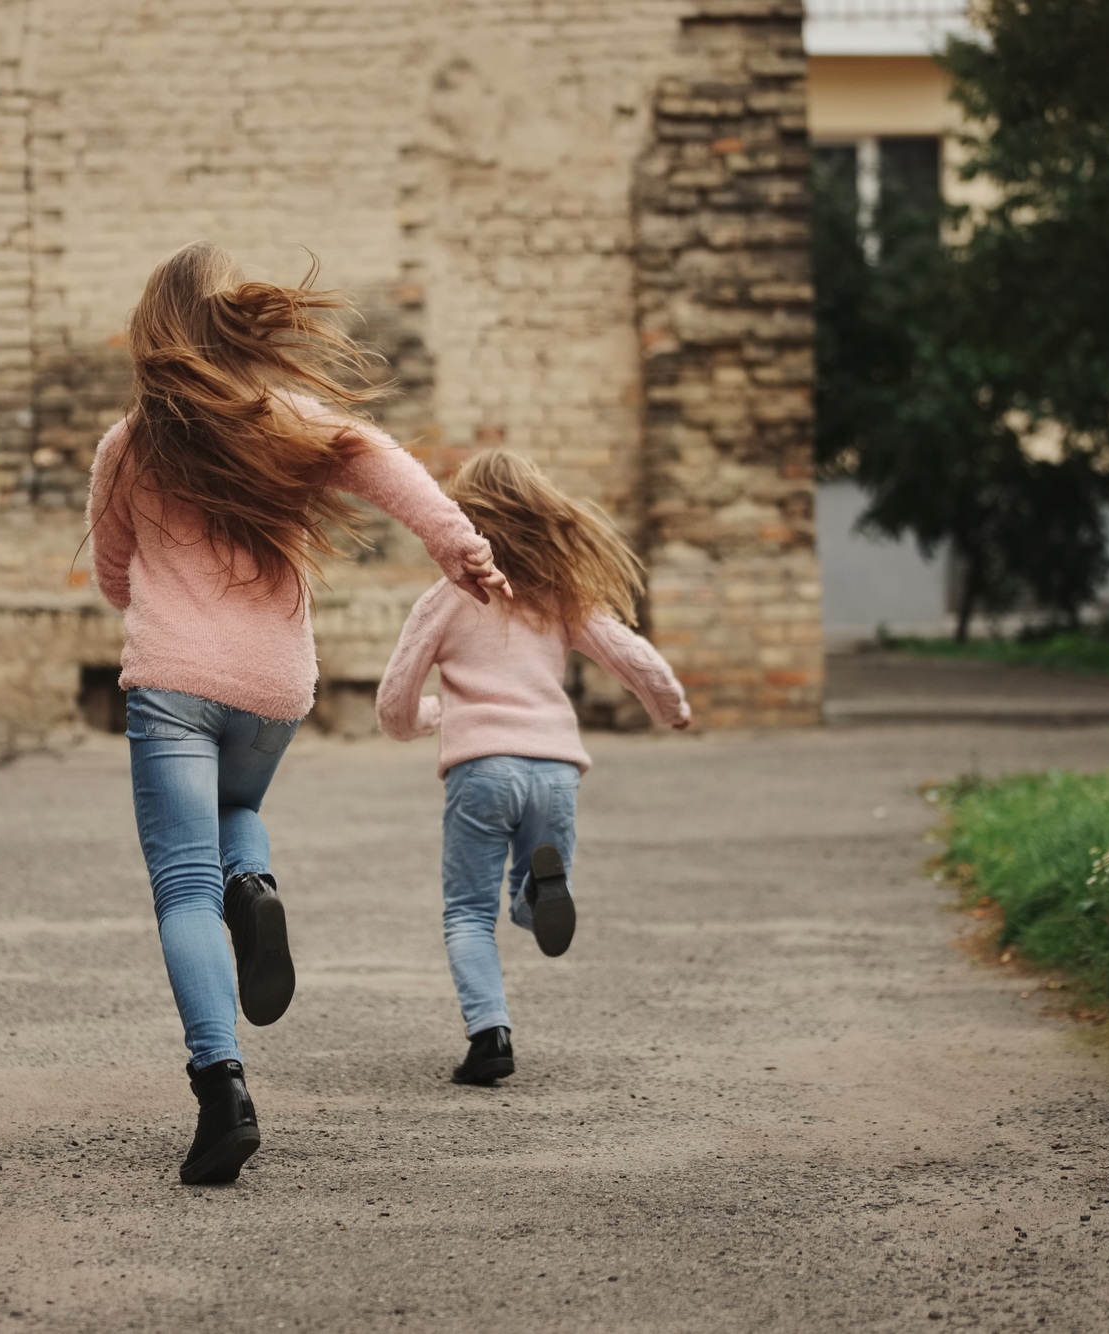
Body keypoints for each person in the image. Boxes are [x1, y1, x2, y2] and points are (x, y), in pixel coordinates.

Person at [86, 241, 512, 1184]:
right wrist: (458, 545)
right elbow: (376, 455)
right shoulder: (282, 419)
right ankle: (254, 884)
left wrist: (159, 582)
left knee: (182, 887)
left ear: (154, 331)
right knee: (237, 811)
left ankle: (223, 1092)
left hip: (173, 686)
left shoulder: (127, 446)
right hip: (274, 687)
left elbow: (115, 577)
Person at [375, 450, 690, 1086]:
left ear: (466, 520)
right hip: (556, 770)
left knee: (468, 912)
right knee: (535, 894)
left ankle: (490, 1037)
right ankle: (539, 893)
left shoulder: (447, 598)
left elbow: (394, 701)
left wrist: (429, 718)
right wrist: (671, 707)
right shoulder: (562, 597)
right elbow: (631, 656)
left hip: (482, 769)